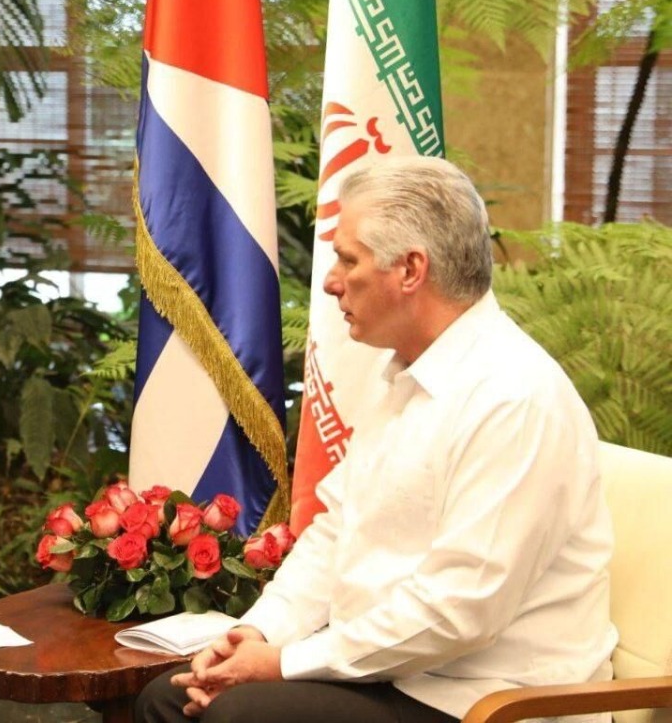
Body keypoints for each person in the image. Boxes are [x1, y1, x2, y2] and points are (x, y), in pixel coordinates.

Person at [135, 156, 616, 723]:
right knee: (165, 700)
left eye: (346, 259)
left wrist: (286, 663)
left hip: (486, 697)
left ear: (410, 270)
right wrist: (258, 632)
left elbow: (458, 614)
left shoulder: (513, 399)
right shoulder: (404, 375)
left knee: (235, 717)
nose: (331, 281)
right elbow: (337, 533)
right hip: (397, 673)